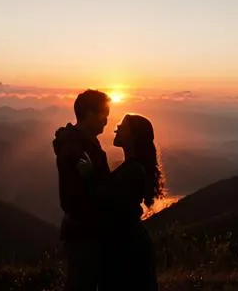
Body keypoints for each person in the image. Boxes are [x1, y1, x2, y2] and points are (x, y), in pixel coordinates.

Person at [79, 113, 164, 291]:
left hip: (127, 250)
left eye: (122, 126)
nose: (116, 127)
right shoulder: (131, 168)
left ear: (133, 136)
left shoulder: (134, 171)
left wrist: (90, 176)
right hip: (125, 246)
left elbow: (110, 202)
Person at [52, 89, 111, 291]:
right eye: (104, 114)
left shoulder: (83, 142)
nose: (106, 121)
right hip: (83, 232)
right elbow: (77, 195)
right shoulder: (75, 148)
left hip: (86, 230)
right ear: (89, 114)